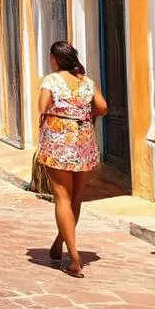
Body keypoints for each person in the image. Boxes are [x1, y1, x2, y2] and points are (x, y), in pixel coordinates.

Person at [36, 41, 108, 279]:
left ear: (55, 58)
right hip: (84, 139)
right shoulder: (87, 82)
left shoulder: (52, 80)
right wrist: (83, 113)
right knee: (75, 198)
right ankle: (59, 242)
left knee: (61, 197)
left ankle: (74, 257)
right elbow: (103, 107)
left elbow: (41, 106)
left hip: (58, 139)